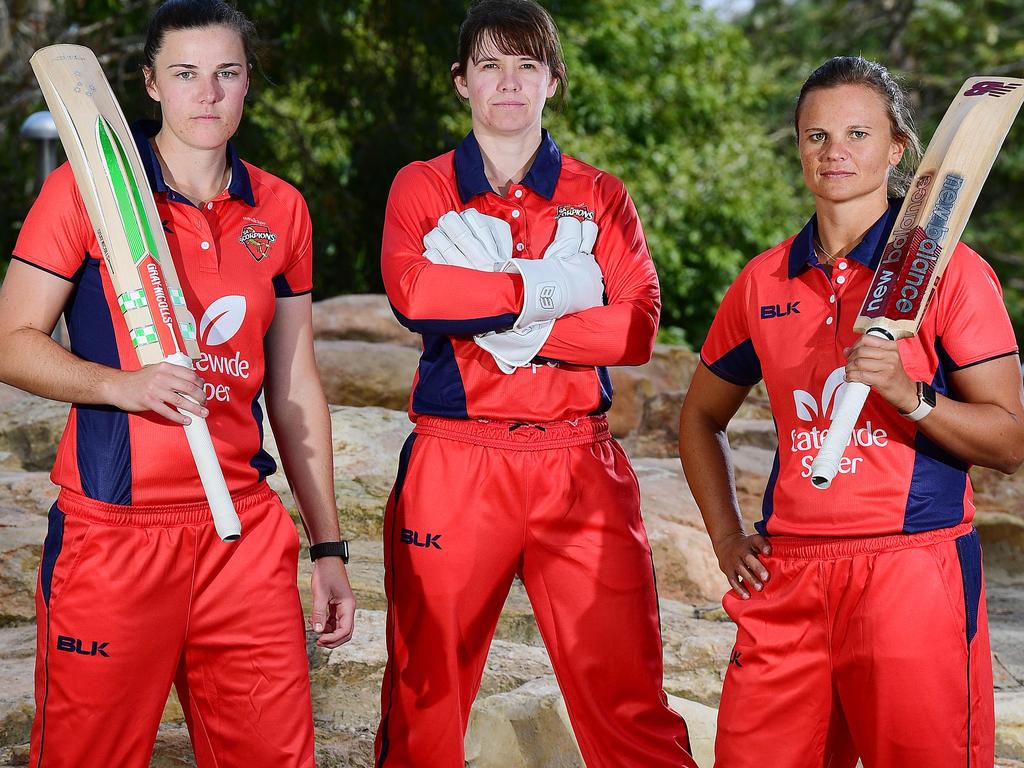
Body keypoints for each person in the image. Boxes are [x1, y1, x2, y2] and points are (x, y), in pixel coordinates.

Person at [0, 1, 355, 765]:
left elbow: (294, 389)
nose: (208, 93)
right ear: (152, 84)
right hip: (113, 537)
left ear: (248, 83)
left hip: (244, 538)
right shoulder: (82, 193)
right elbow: (11, 343)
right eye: (186, 74)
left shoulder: (282, 210)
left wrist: (328, 545)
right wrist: (118, 385)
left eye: (226, 74)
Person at [375, 1, 697, 765]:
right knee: (427, 699)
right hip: (457, 463)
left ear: (553, 80)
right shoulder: (421, 187)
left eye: (526, 65)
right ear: (462, 82)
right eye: (490, 65)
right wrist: (553, 289)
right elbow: (417, 297)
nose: (508, 83)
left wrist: (487, 304)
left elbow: (635, 329)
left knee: (629, 702)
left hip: (578, 463)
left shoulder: (602, 195)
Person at [680, 55, 1024, 767]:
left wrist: (912, 396)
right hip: (790, 577)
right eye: (816, 136)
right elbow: (699, 418)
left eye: (858, 134)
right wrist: (725, 539)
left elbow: (1010, 440)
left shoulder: (954, 273)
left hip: (912, 572)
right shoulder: (763, 281)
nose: (835, 152)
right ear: (799, 146)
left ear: (897, 149)